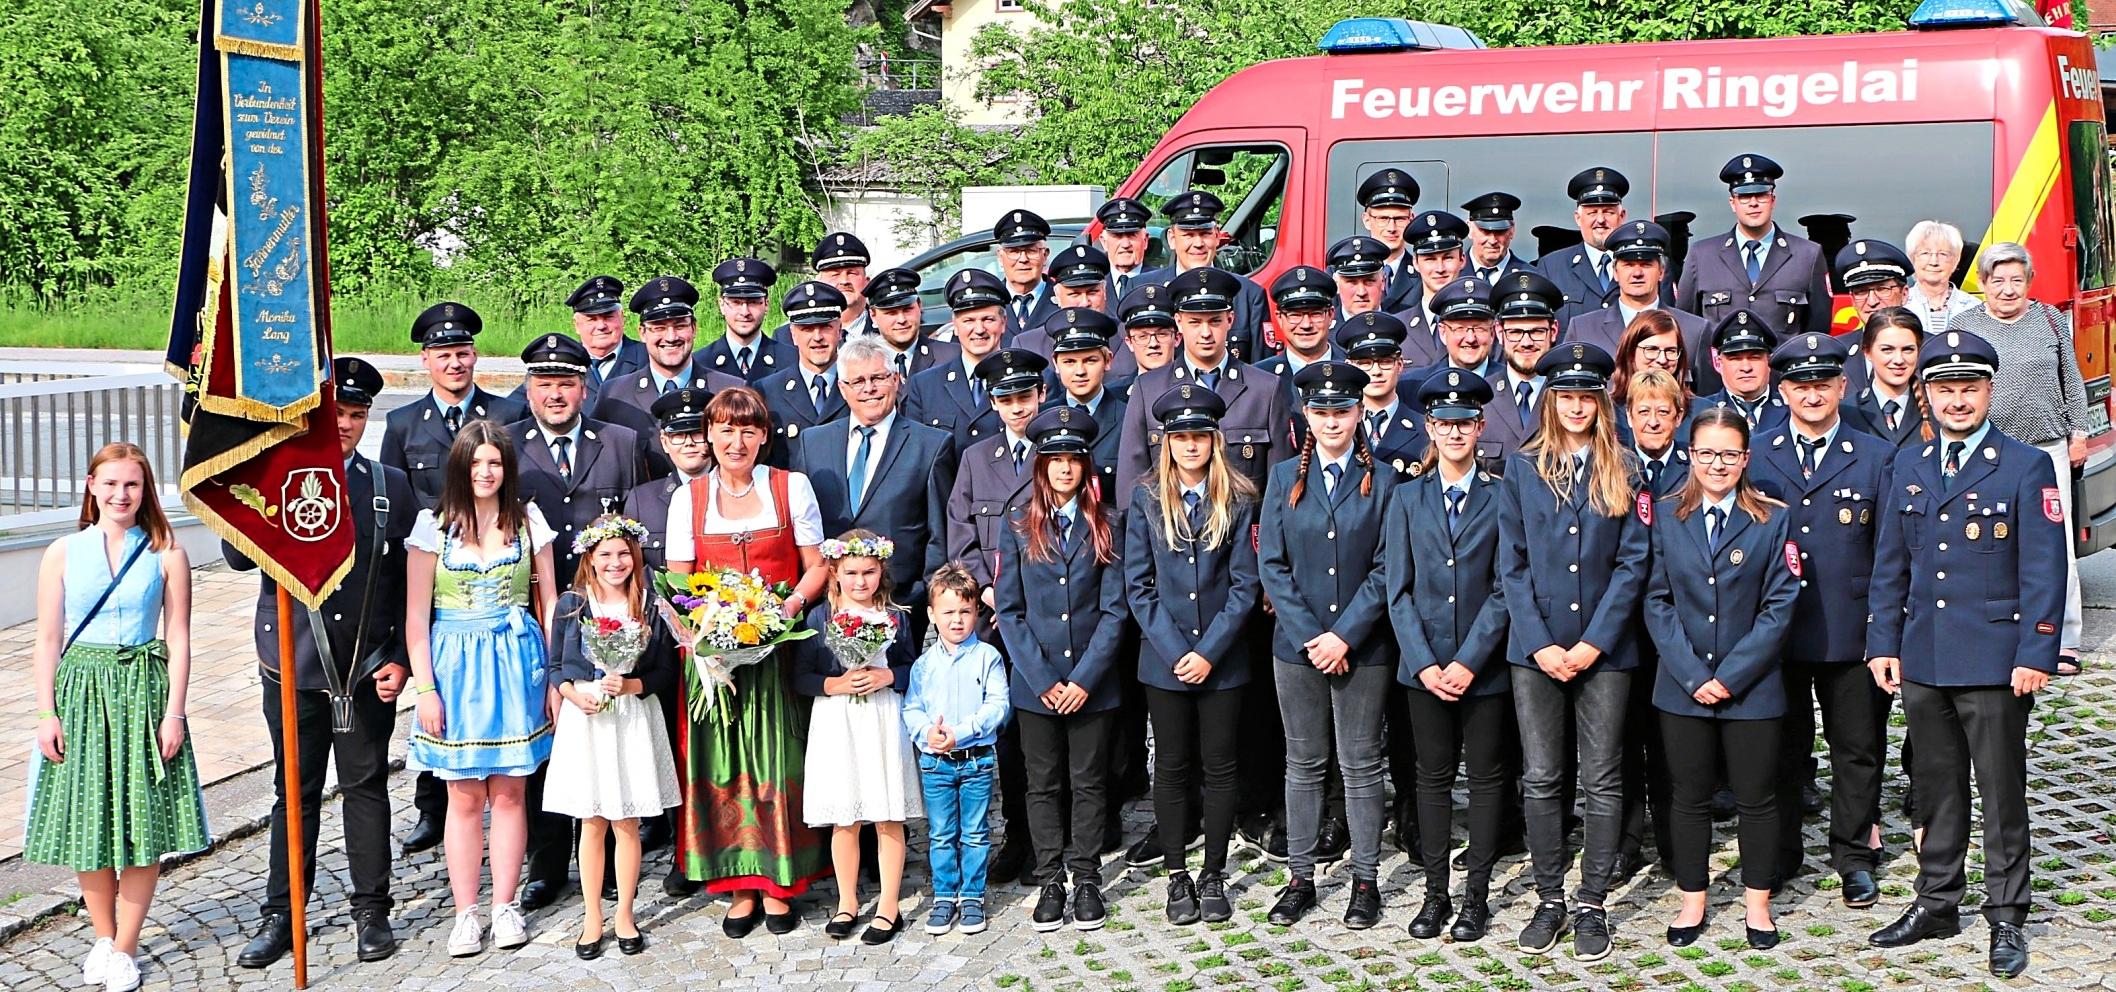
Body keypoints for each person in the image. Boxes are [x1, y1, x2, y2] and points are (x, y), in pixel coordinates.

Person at [1865, 330, 2065, 980]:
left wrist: (2037, 648)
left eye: (1969, 388)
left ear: (1988, 390)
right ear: (1927, 392)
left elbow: (2044, 568)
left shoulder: (2023, 465)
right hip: (1924, 658)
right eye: (1945, 388)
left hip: (1997, 661)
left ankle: (2007, 914)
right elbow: (1891, 563)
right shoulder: (1912, 466)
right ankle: (1938, 902)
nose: (1956, 400)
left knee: (2001, 794)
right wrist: (1882, 643)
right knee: (1935, 789)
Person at [232, 359, 414, 969]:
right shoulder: (279, 482)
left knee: (365, 789)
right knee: (294, 792)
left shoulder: (389, 484)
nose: (345, 424)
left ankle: (371, 910)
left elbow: (407, 584)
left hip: (365, 666)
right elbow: (237, 558)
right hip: (293, 665)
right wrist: (253, 467)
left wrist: (404, 659)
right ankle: (282, 915)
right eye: (334, 412)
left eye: (356, 414)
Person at [28, 443, 207, 992]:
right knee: (89, 819)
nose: (120, 495)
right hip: (81, 691)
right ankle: (102, 938)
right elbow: (47, 637)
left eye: (131, 485)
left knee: (142, 822)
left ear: (145, 490)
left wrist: (174, 711)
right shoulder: (62, 551)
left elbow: (178, 638)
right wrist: (45, 712)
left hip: (143, 692)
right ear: (91, 485)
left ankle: (126, 946)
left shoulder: (166, 552)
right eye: (110, 484)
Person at [1495, 342, 1649, 962]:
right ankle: (1550, 895)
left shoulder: (1629, 468)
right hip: (1535, 650)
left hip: (1604, 652)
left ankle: (1592, 902)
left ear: (1601, 401)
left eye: (1588, 395)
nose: (1578, 405)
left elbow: (1633, 563)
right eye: (1566, 395)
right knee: (1541, 776)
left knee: (1604, 776)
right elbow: (1512, 565)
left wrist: (1591, 643)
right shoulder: (1523, 467)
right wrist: (1542, 644)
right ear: (1551, 401)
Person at [664, 386, 832, 935]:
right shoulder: (687, 498)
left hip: (776, 652)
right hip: (714, 662)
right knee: (722, 764)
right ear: (709, 435)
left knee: (778, 762)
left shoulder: (791, 487)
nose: (736, 441)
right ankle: (736, 885)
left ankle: (780, 883)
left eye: (747, 430)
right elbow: (679, 583)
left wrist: (783, 608)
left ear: (763, 436)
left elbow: (816, 567)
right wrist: (710, 626)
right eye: (725, 429)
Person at [1641, 407, 1799, 950]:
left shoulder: (1772, 518)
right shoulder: (1665, 515)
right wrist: (1691, 673)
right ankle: (1693, 899)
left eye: (1729, 454)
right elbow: (1656, 600)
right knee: (1687, 797)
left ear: (1746, 459)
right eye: (1706, 453)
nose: (1717, 463)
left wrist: (1730, 676)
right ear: (1690, 456)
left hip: (1751, 687)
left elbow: (1780, 605)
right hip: (1681, 686)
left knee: (1757, 796)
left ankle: (1758, 905)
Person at [1747, 333, 1894, 907]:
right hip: (1775, 632)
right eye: (1800, 385)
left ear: (1842, 386)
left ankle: (1854, 854)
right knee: (1781, 747)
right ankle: (1782, 852)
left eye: (1823, 383)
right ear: (1782, 391)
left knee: (1857, 748)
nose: (1813, 393)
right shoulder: (1754, 453)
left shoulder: (1876, 455)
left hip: (1849, 628)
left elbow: (1889, 555)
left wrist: (1885, 635)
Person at [403, 421, 560, 957]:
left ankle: (505, 905)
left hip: (518, 663)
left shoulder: (529, 523)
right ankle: (466, 911)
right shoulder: (434, 529)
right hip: (456, 668)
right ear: (460, 468)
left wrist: (555, 678)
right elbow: (416, 621)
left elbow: (552, 605)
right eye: (476, 463)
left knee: (512, 790)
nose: (485, 473)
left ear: (506, 468)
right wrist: (425, 688)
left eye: (494, 463)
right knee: (464, 794)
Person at [1259, 362, 1401, 930]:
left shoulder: (1386, 480)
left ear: (1359, 412)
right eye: (1321, 412)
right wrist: (1313, 636)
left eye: (1342, 410)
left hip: (1363, 648)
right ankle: (1300, 877)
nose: (1332, 421)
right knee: (1303, 762)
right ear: (1307, 418)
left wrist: (1344, 635)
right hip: (1297, 647)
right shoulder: (1280, 479)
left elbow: (1388, 565)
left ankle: (1365, 879)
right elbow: (1272, 564)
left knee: (1362, 763)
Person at [381, 301, 528, 851]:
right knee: (441, 706)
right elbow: (398, 504)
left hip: (494, 569)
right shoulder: (401, 424)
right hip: (436, 574)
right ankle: (430, 805)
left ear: (475, 357)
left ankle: (511, 812)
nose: (455, 363)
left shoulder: (503, 415)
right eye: (443, 355)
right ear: (426, 361)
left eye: (462, 353)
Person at [509, 334, 645, 909]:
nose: (556, 393)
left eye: (567, 383)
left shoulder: (620, 442)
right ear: (529, 389)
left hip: (608, 607)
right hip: (540, 610)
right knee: (550, 736)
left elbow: (637, 526)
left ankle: (616, 863)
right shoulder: (506, 446)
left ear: (584, 388)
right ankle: (548, 864)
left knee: (609, 735)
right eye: (545, 384)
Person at [1127, 386, 1261, 925]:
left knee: (1222, 766)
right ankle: (1178, 874)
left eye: (1198, 437)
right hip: (1164, 658)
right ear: (1167, 443)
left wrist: (1208, 652)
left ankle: (1214, 873)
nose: (1190, 446)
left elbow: (1244, 586)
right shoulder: (1144, 497)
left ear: (1214, 440)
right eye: (1179, 437)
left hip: (1222, 658)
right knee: (1173, 766)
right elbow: (1139, 586)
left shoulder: (1240, 496)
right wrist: (1177, 649)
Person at [1385, 370, 1510, 944]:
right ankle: (1437, 892)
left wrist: (1469, 660)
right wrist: (1426, 661)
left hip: (1482, 666)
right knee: (1431, 780)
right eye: (1444, 423)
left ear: (1480, 427)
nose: (1455, 432)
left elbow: (1507, 585)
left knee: (1485, 780)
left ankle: (1476, 895)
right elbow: (1398, 588)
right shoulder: (1406, 497)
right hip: (1424, 667)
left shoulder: (1501, 493)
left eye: (1465, 422)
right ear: (1429, 428)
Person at [995, 409, 1128, 932]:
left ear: (1085, 465)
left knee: (1091, 782)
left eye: (1074, 459)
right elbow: (1010, 610)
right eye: (1056, 460)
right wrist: (1045, 679)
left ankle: (1088, 876)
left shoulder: (1107, 524)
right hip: (1038, 685)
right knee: (1042, 783)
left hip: (1092, 683)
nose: (1065, 470)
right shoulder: (1018, 523)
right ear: (1041, 466)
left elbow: (1116, 610)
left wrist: (1084, 679)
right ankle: (1051, 876)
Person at [542, 515, 682, 960]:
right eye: (605, 554)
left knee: (627, 822)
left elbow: (664, 670)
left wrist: (632, 685)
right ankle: (591, 916)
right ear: (590, 558)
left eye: (623, 553)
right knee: (592, 821)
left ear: (635, 555)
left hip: (632, 716)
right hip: (589, 719)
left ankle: (624, 912)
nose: (616, 562)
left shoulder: (648, 603)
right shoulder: (572, 604)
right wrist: (570, 695)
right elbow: (557, 667)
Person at [1946, 242, 2087, 670]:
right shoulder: (1964, 323)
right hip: (1984, 449)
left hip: (2046, 448)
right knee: (1986, 540)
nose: (2007, 290)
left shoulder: (2049, 319)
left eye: (2016, 280)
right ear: (1983, 284)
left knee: (2055, 542)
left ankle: (2065, 637)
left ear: (2029, 282)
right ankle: (1990, 632)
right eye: (1998, 280)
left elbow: (2072, 377)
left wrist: (2078, 431)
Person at [942, 348, 1049, 884]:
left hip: (1050, 616)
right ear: (993, 402)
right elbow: (961, 531)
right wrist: (987, 590)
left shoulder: (1059, 453)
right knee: (1003, 731)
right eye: (1005, 399)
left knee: (1048, 727)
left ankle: (1059, 835)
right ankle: (1019, 837)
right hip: (994, 618)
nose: (1017, 407)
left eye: (1024, 397)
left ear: (1041, 396)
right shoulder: (975, 458)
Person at [795, 530, 921, 946]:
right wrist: (836, 684)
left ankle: (888, 904)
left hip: (883, 717)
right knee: (844, 815)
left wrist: (888, 675)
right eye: (851, 573)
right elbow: (802, 676)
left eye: (868, 572)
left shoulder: (897, 615)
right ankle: (846, 900)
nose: (860, 582)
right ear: (835, 572)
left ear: (881, 570)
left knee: (887, 813)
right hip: (837, 719)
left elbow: (911, 668)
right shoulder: (819, 618)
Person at [790, 335, 954, 634]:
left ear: (896, 379)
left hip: (901, 604)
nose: (869, 389)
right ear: (842, 388)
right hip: (828, 603)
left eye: (878, 377)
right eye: (858, 381)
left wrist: (924, 596)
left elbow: (938, 534)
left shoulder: (931, 445)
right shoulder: (812, 442)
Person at [1115, 267, 1294, 500]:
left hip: (1240, 531)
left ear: (1231, 319)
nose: (1206, 332)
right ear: (1178, 322)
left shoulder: (1264, 390)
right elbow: (1131, 484)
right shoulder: (1148, 389)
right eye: (1195, 322)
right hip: (1167, 532)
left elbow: (1279, 488)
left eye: (1215, 321)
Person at [902, 564, 1012, 936]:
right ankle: (944, 896)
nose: (957, 620)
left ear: (976, 612)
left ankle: (972, 897)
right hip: (936, 763)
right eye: (948, 612)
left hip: (976, 760)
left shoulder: (987, 657)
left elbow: (997, 705)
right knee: (941, 834)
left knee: (975, 832)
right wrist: (926, 733)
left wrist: (962, 732)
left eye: (965, 611)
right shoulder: (923, 665)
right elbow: (912, 708)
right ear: (932, 615)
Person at [1675, 154, 1833, 340]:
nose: (1753, 203)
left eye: (1760, 194)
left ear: (1773, 199)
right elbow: (1687, 327)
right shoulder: (1702, 256)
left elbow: (1817, 332)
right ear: (1732, 203)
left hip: (1781, 369)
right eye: (1744, 196)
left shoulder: (1807, 255)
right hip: (1720, 369)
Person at [1565, 221, 1715, 394]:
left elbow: (1707, 401)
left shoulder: (1694, 330)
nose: (1637, 273)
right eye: (1628, 264)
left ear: (1661, 272)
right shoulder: (1583, 330)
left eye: (1646, 264)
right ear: (1615, 271)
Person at [596, 275, 744, 436]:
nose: (671, 337)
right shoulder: (615, 395)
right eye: (659, 328)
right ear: (642, 333)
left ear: (694, 328)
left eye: (680, 326)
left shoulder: (731, 391)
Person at [1139, 191, 1272, 362]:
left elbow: (1260, 372)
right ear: (1172, 238)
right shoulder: (1143, 289)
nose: (1198, 244)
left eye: (1205, 234)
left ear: (1217, 235)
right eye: (1188, 235)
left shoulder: (1248, 295)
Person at [905, 269, 1010, 451]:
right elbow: (916, 455)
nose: (979, 329)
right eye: (968, 320)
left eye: (988, 319)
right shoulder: (924, 387)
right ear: (954, 325)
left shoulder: (1035, 378)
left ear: (1004, 323)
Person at [1538, 167, 1648, 325]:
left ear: (1622, 216)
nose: (1601, 220)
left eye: (1608, 212)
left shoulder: (1648, 266)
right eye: (1592, 212)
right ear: (1577, 218)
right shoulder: (1552, 267)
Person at [1041, 309, 1130, 502]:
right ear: (1055, 364)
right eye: (1069, 362)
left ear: (1108, 361)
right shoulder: (1042, 420)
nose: (1080, 371)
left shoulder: (1128, 419)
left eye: (1090, 360)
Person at [757, 280, 852, 459]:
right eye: (807, 329)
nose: (817, 337)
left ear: (840, 330)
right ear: (793, 334)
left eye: (825, 327)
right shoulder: (767, 392)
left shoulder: (859, 385)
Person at [1481, 271, 1564, 460]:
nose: (1526, 342)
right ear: (1499, 333)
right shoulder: (1482, 398)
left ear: (1553, 331)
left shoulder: (1568, 397)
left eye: (1536, 331)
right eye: (1516, 332)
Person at [1339, 313, 1428, 474]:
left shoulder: (1425, 430)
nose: (1376, 371)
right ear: (1349, 367)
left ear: (1400, 365)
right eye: (1365, 363)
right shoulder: (1338, 427)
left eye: (1385, 362)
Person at [1387, 210, 1473, 369]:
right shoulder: (1396, 327)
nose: (1440, 268)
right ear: (1415, 263)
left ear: (1462, 260)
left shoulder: (1481, 327)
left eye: (1447, 258)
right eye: (1430, 259)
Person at [1840, 308, 1932, 449]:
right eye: (1887, 350)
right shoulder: (1846, 412)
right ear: (1867, 352)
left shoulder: (1936, 409)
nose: (1898, 360)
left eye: (1908, 349)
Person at [697, 258, 795, 384]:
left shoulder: (791, 360)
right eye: (736, 302)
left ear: (766, 305)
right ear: (721, 305)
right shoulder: (701, 363)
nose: (745, 312)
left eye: (753, 302)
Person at [1692, 311, 1789, 434]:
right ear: (1719, 363)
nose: (1746, 367)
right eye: (1735, 359)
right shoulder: (1699, 411)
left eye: (1754, 358)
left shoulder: (1792, 409)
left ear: (1768, 361)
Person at [1404, 275, 1502, 390]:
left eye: (1479, 328)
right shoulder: (1415, 386)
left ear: (1492, 333)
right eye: (1459, 329)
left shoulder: (1511, 383)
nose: (1470, 339)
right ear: (1443, 333)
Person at [864, 267, 960, 379]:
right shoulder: (863, 364)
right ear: (873, 316)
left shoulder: (952, 357)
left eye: (907, 309)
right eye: (891, 313)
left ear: (919, 306)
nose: (901, 320)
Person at [1355, 169, 1423, 312]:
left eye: (1399, 219)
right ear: (1367, 220)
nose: (1391, 228)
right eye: (1383, 219)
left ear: (1411, 220)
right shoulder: (1341, 274)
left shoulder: (1424, 275)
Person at [1904, 220, 1980, 337]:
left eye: (1943, 254)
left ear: (1955, 261)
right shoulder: (1900, 305)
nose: (1934, 262)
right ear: (1912, 259)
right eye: (1925, 253)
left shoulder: (1975, 308)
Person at [993, 210, 1059, 338]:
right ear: (1000, 257)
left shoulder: (1063, 300)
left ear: (1045, 255)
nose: (1023, 259)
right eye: (1014, 251)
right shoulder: (989, 304)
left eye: (1031, 251)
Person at [1461, 191, 1535, 283]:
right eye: (1485, 231)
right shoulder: (1450, 275)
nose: (1492, 241)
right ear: (1470, 229)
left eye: (1500, 231)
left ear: (1512, 230)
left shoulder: (1532, 278)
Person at [1097, 197, 1157, 305]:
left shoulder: (1161, 283)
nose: (1125, 244)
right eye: (1117, 236)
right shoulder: (1093, 287)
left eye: (1132, 235)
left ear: (1145, 240)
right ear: (1104, 242)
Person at [1119, 282, 1181, 377]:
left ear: (1177, 338)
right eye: (1143, 336)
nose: (1153, 344)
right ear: (1129, 343)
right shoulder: (1117, 391)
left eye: (1162, 334)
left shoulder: (1197, 388)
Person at [1327, 235, 1393, 321]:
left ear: (1383, 282)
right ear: (1337, 285)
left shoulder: (1403, 330)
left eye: (1369, 281)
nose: (1361, 293)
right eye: (1352, 282)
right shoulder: (1324, 332)